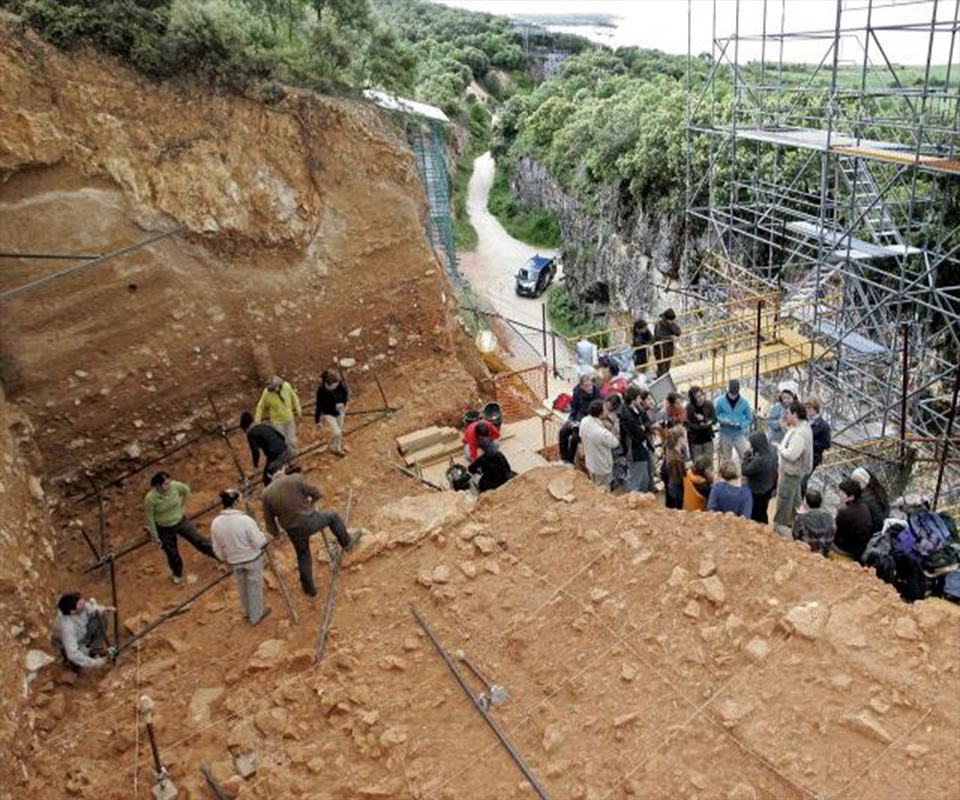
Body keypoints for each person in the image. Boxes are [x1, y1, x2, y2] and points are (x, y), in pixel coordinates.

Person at [261, 465, 358, 596]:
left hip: (293, 530)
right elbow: (317, 493)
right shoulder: (295, 478)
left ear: (269, 476)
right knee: (332, 516)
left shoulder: (266, 494)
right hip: (310, 521)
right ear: (282, 469)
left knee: (303, 555)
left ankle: (309, 589)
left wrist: (277, 535)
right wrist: (309, 504)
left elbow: (270, 524)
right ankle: (347, 543)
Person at [210, 490, 271, 625]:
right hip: (251, 559)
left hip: (233, 561)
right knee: (254, 587)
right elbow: (258, 542)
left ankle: (247, 612)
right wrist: (264, 537)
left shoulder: (216, 523)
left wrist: (224, 559)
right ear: (236, 502)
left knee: (242, 586)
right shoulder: (245, 520)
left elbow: (216, 547)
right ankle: (256, 616)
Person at [144, 472, 216, 585]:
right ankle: (177, 573)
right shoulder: (150, 498)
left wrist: (183, 508)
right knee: (172, 553)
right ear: (158, 486)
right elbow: (150, 518)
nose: (169, 485)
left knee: (198, 540)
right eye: (165, 484)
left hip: (180, 521)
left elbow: (186, 490)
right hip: (164, 528)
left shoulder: (175, 486)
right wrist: (155, 536)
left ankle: (217, 555)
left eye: (169, 483)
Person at [773, 401, 813, 534]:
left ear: (795, 414)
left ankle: (780, 527)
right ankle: (798, 522)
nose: (786, 415)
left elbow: (792, 455)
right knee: (795, 498)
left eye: (788, 413)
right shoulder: (802, 427)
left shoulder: (800, 433)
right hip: (796, 472)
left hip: (791, 472)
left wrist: (780, 448)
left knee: (784, 499)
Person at [52, 593, 111, 670]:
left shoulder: (79, 607)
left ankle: (95, 649)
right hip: (71, 643)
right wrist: (96, 663)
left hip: (82, 633)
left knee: (101, 616)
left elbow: (90, 608)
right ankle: (74, 662)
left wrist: (103, 609)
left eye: (81, 600)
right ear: (72, 611)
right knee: (76, 658)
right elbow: (73, 654)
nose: (84, 602)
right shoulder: (67, 628)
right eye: (80, 603)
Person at [619, 386, 656, 493]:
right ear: (633, 399)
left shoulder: (635, 410)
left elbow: (646, 423)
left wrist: (644, 427)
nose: (641, 401)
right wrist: (644, 428)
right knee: (635, 482)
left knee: (644, 479)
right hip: (635, 452)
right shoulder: (627, 416)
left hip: (641, 449)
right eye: (639, 398)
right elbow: (640, 435)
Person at [559, 374, 601, 465]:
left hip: (590, 421)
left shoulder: (597, 394)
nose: (589, 388)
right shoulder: (577, 392)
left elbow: (598, 413)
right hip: (578, 418)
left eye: (590, 385)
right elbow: (574, 407)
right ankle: (564, 458)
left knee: (574, 438)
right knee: (563, 431)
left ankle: (570, 461)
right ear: (581, 386)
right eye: (586, 386)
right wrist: (570, 419)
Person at [254, 376, 302, 453]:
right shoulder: (266, 393)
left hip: (289, 418)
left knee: (291, 440)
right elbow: (261, 406)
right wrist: (258, 420)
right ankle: (285, 459)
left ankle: (294, 455)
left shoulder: (287, 386)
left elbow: (294, 397)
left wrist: (298, 409)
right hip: (277, 422)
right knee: (281, 442)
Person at [579, 399, 621, 489]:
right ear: (600, 413)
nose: (607, 411)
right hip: (602, 467)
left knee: (594, 486)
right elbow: (615, 443)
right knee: (603, 491)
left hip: (590, 462)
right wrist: (615, 429)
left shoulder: (584, 421)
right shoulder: (602, 433)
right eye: (605, 409)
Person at [240, 411, 289, 485]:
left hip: (275, 456)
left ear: (245, 428)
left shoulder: (250, 433)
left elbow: (255, 452)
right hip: (285, 450)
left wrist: (255, 465)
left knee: (267, 479)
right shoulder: (264, 425)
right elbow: (281, 436)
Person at [741, 431, 777, 524]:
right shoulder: (773, 450)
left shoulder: (760, 460)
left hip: (757, 491)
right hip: (768, 486)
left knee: (755, 514)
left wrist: (747, 455)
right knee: (763, 511)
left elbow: (745, 471)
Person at [833, 477, 874, 560]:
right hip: (860, 549)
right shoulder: (864, 506)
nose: (839, 494)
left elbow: (836, 532)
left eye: (842, 493)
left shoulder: (844, 512)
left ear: (851, 497)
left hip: (846, 550)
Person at [715, 380, 753, 463]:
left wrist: (741, 424)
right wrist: (723, 421)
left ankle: (745, 473)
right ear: (728, 390)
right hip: (725, 433)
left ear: (738, 391)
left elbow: (749, 418)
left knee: (744, 456)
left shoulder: (744, 403)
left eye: (735, 393)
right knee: (726, 458)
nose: (733, 396)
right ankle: (728, 474)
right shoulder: (720, 401)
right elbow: (716, 415)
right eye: (732, 393)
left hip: (738, 434)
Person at [315, 370, 349, 457]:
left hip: (340, 411)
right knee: (337, 433)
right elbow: (319, 405)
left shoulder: (339, 384)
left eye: (336, 385)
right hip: (329, 413)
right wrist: (317, 421)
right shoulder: (321, 390)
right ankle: (334, 447)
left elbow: (345, 394)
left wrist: (343, 403)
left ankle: (336, 448)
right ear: (327, 384)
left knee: (339, 432)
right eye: (334, 386)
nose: (335, 387)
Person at [791, 489, 836, 556]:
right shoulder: (829, 517)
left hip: (806, 551)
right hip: (824, 551)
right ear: (820, 503)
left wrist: (800, 515)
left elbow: (795, 536)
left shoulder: (801, 519)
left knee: (781, 529)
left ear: (805, 503)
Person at [803, 397, 831, 495]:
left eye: (809, 408)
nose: (807, 410)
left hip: (813, 457)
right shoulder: (805, 420)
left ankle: (800, 499)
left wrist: (810, 442)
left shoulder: (823, 426)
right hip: (802, 454)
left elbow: (826, 444)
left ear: (815, 409)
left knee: (803, 480)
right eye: (806, 408)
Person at [851, 467, 890, 534]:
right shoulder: (876, 490)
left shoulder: (865, 498)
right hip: (884, 523)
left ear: (862, 481)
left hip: (876, 531)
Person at [685, 386, 716, 464]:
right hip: (696, 441)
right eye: (697, 397)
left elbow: (714, 419)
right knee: (698, 464)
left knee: (709, 462)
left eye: (701, 395)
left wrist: (706, 421)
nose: (700, 398)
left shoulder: (708, 404)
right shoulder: (689, 408)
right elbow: (688, 425)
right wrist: (701, 426)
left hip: (708, 438)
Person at [767, 380, 799, 445]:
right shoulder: (776, 407)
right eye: (784, 398)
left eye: (788, 398)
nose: (786, 400)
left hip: (789, 443)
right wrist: (780, 423)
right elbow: (769, 422)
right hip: (774, 440)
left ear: (793, 397)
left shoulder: (797, 409)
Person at [653, 308, 682, 377]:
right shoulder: (659, 324)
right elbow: (658, 337)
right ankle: (660, 382)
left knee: (667, 367)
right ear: (667, 319)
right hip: (660, 350)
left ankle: (663, 380)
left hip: (668, 349)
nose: (672, 322)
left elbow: (678, 332)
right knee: (662, 369)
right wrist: (669, 337)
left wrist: (672, 326)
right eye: (671, 320)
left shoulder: (670, 324)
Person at [663, 426, 687, 509]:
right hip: (675, 482)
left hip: (671, 480)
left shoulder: (669, 446)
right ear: (679, 438)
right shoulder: (675, 457)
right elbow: (679, 476)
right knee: (677, 504)